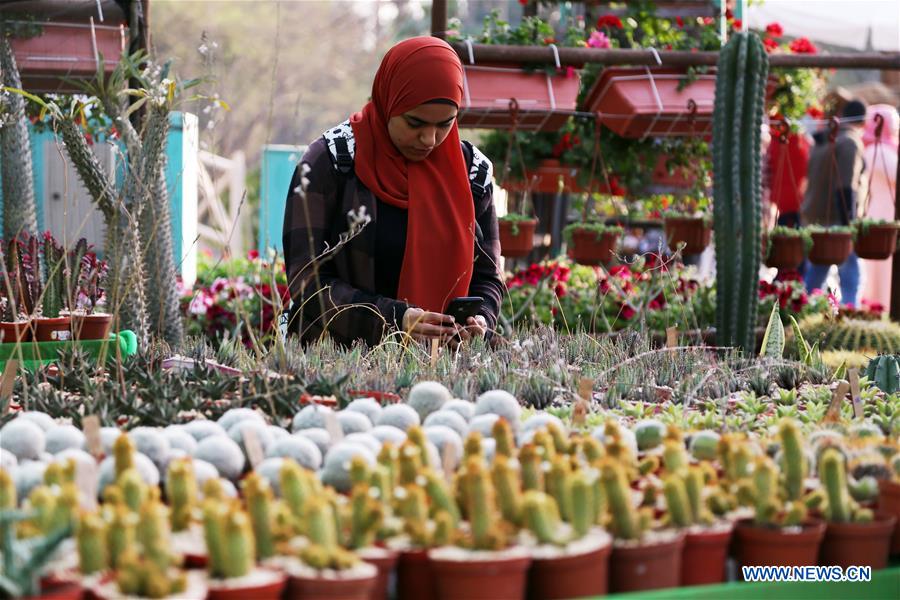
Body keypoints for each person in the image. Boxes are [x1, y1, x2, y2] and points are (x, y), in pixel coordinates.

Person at [282, 36, 504, 347]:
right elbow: (306, 283)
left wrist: (480, 320)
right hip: (339, 367)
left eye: (445, 124)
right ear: (388, 102)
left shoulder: (472, 174)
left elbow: (489, 278)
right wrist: (395, 320)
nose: (429, 138)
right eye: (415, 123)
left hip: (444, 373)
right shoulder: (331, 163)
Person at [801, 99, 867, 306]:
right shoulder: (849, 142)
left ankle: (801, 312)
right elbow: (847, 186)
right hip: (837, 217)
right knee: (851, 276)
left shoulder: (825, 140)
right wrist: (850, 225)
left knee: (816, 271)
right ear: (862, 122)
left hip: (815, 214)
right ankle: (850, 313)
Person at [860, 104, 899, 310]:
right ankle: (881, 306)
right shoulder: (880, 149)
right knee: (883, 266)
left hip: (879, 209)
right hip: (884, 212)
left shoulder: (876, 148)